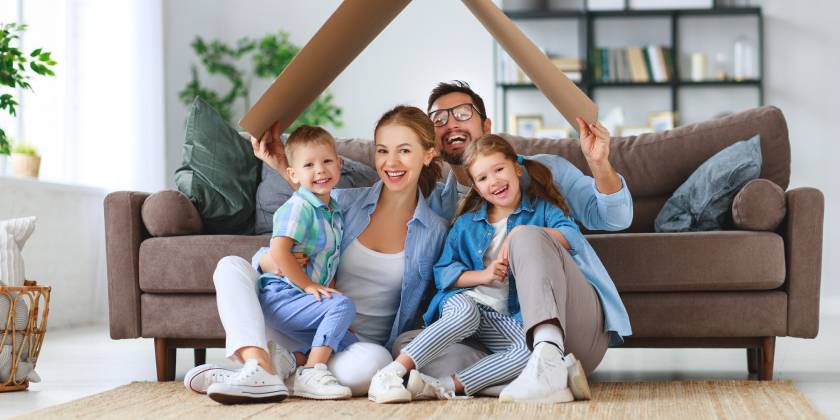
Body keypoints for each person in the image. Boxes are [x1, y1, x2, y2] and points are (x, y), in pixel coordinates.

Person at [185, 106, 452, 402]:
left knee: (376, 365)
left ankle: (269, 371)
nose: (391, 162)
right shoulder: (344, 203)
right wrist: (267, 260)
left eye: (404, 151)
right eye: (382, 151)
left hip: (350, 346)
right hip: (298, 319)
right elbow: (301, 215)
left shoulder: (436, 232)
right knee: (231, 266)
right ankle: (260, 364)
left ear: (428, 154)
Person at [391, 81, 634, 403]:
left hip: (570, 325)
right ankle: (507, 379)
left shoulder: (545, 175)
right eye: (438, 119)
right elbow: (435, 271)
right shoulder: (437, 203)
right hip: (495, 333)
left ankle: (546, 357)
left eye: (462, 114)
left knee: (527, 236)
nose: (450, 124)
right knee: (408, 347)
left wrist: (599, 162)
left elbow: (615, 219)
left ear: (486, 125)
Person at [369, 134, 592, 403]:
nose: (494, 181)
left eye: (499, 170)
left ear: (516, 169)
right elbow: (443, 273)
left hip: (504, 318)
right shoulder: (467, 224)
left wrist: (523, 233)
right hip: (466, 304)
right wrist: (485, 275)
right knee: (460, 318)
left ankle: (445, 386)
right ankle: (391, 373)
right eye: (483, 178)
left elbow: (574, 238)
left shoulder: (542, 210)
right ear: (475, 187)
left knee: (529, 351)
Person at [211, 125, 358, 403]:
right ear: (293, 174)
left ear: (339, 164)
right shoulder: (299, 206)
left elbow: (330, 264)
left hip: (303, 300)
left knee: (349, 340)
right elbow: (279, 250)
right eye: (309, 165)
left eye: (327, 161)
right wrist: (309, 286)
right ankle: (312, 373)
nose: (320, 170)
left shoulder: (335, 213)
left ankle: (285, 362)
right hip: (283, 295)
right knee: (344, 305)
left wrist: (328, 301)